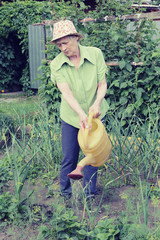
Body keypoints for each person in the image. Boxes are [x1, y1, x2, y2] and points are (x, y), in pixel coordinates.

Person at [50, 20, 109, 200]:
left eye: (65, 42)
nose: (63, 48)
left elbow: (102, 83)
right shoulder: (56, 64)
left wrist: (97, 102)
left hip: (96, 117)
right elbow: (66, 92)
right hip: (71, 117)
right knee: (69, 156)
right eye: (59, 44)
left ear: (76, 37)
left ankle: (89, 194)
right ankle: (66, 194)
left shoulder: (95, 54)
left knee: (91, 156)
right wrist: (81, 114)